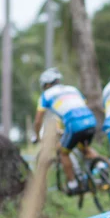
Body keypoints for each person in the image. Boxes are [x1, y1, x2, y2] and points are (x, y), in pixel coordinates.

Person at [32, 67, 98, 195]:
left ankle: (72, 184)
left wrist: (37, 135)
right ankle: (101, 168)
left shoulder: (46, 95)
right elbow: (78, 106)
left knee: (63, 153)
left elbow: (38, 121)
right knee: (84, 147)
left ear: (46, 84)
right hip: (91, 120)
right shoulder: (72, 89)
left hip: (74, 125)